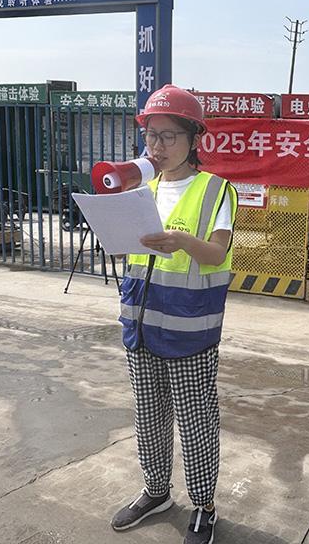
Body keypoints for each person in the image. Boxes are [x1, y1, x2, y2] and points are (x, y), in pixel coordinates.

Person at [111, 84, 237, 544]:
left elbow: (216, 253)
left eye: (168, 136)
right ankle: (156, 491)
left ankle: (204, 506)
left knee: (195, 421)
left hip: (189, 331)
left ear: (194, 138)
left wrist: (182, 241)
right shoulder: (142, 189)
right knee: (149, 416)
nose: (157, 146)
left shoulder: (216, 190)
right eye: (151, 135)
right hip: (140, 327)